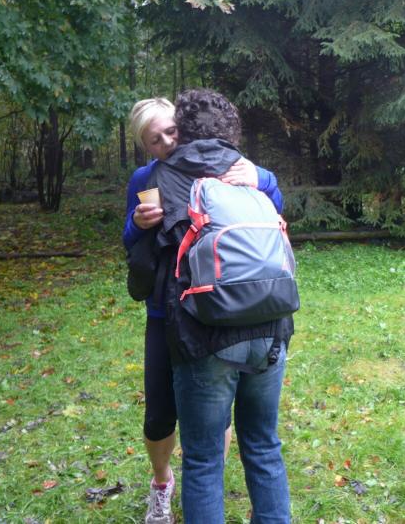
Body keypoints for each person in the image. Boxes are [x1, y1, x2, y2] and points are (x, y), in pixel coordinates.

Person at [123, 97, 283, 523]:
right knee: (257, 442)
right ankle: (162, 481)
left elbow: (274, 200)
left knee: (204, 455)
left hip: (202, 324)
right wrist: (138, 224)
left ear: (184, 127)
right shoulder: (149, 178)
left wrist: (263, 176)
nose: (166, 143)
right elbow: (133, 244)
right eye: (155, 139)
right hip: (256, 319)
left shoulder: (228, 168)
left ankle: (203, 487)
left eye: (171, 131)